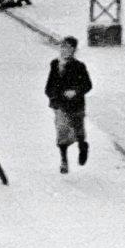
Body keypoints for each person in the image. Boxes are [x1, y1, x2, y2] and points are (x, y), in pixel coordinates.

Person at [44, 39, 92, 174]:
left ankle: (83, 146)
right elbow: (49, 86)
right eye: (63, 47)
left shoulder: (79, 66)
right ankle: (64, 161)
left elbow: (88, 85)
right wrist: (53, 96)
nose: (65, 50)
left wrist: (75, 92)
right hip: (60, 105)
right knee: (62, 131)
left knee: (78, 131)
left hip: (76, 105)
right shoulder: (55, 65)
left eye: (69, 48)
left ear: (73, 50)